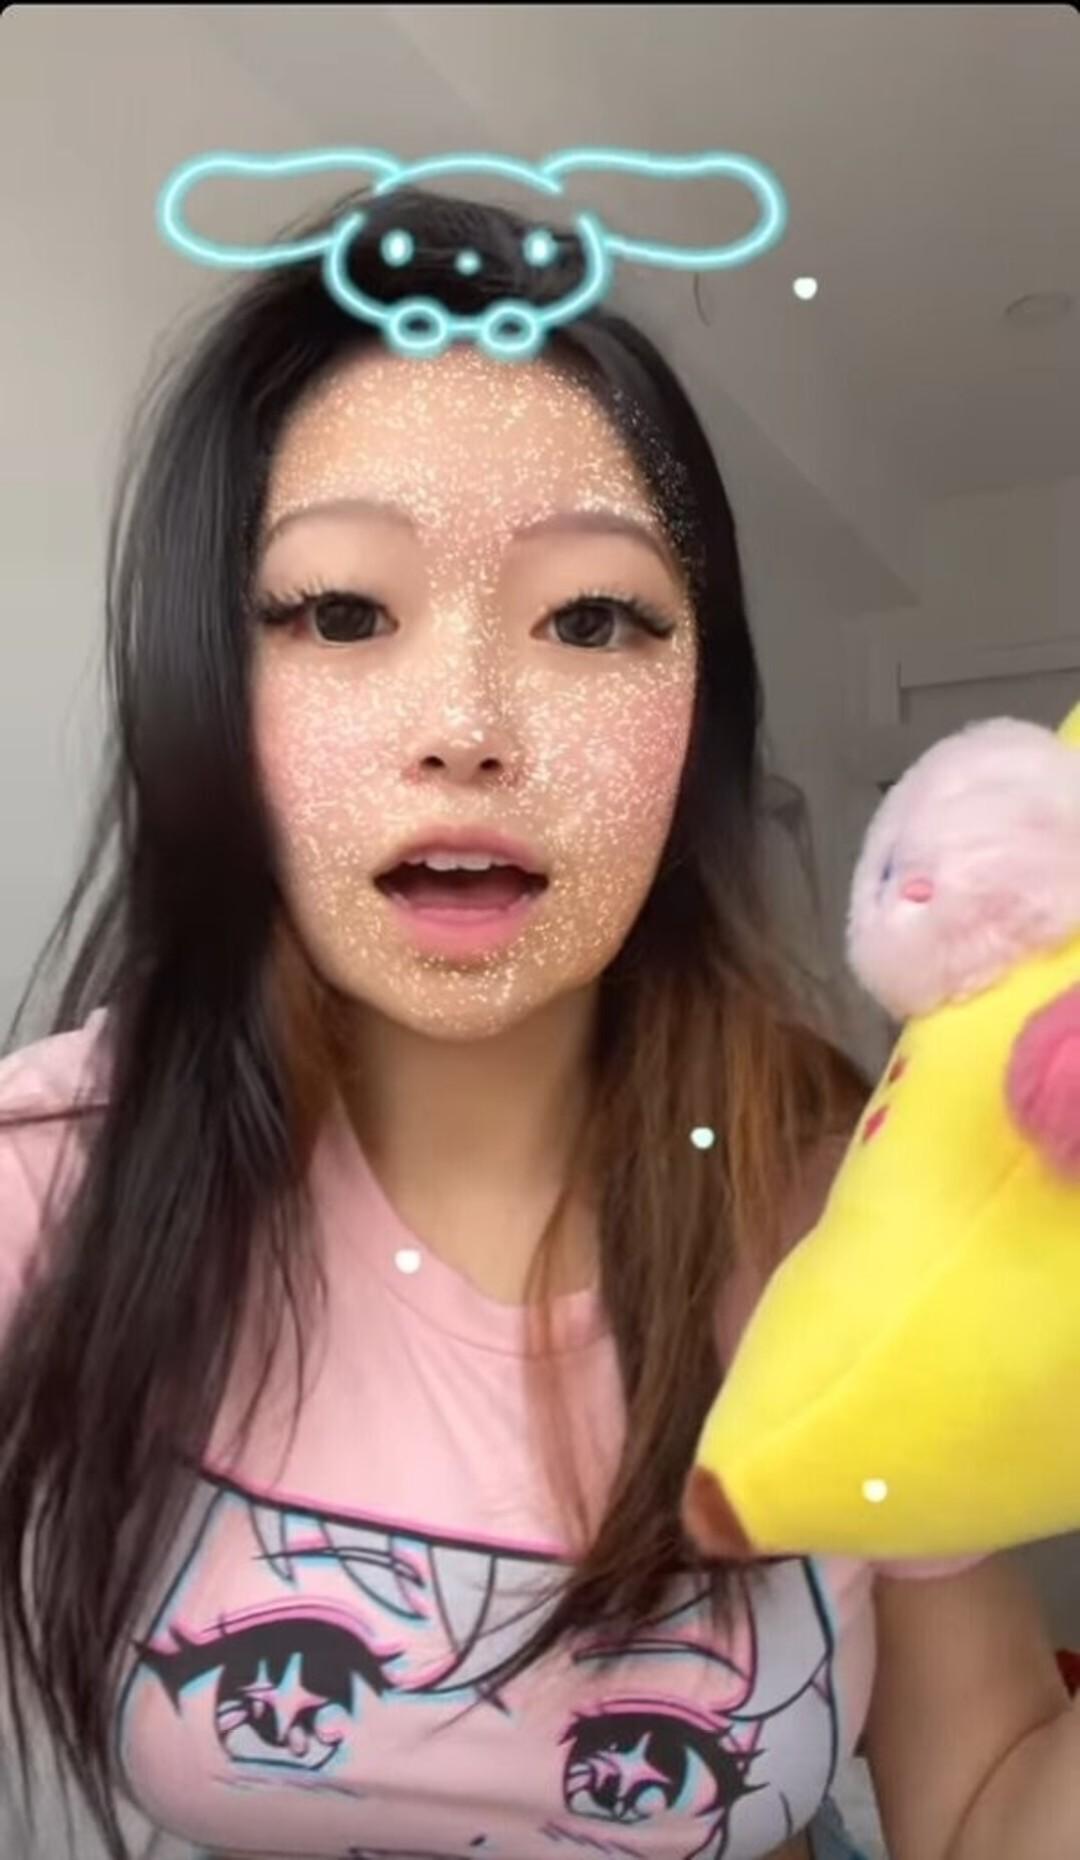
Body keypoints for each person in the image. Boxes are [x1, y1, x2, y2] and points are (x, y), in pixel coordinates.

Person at [0, 187, 1067, 1860]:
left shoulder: (843, 1222)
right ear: (207, 684)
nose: (471, 727)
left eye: (591, 618)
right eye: (342, 612)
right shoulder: (54, 1177)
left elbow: (991, 1793)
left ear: (701, 718)